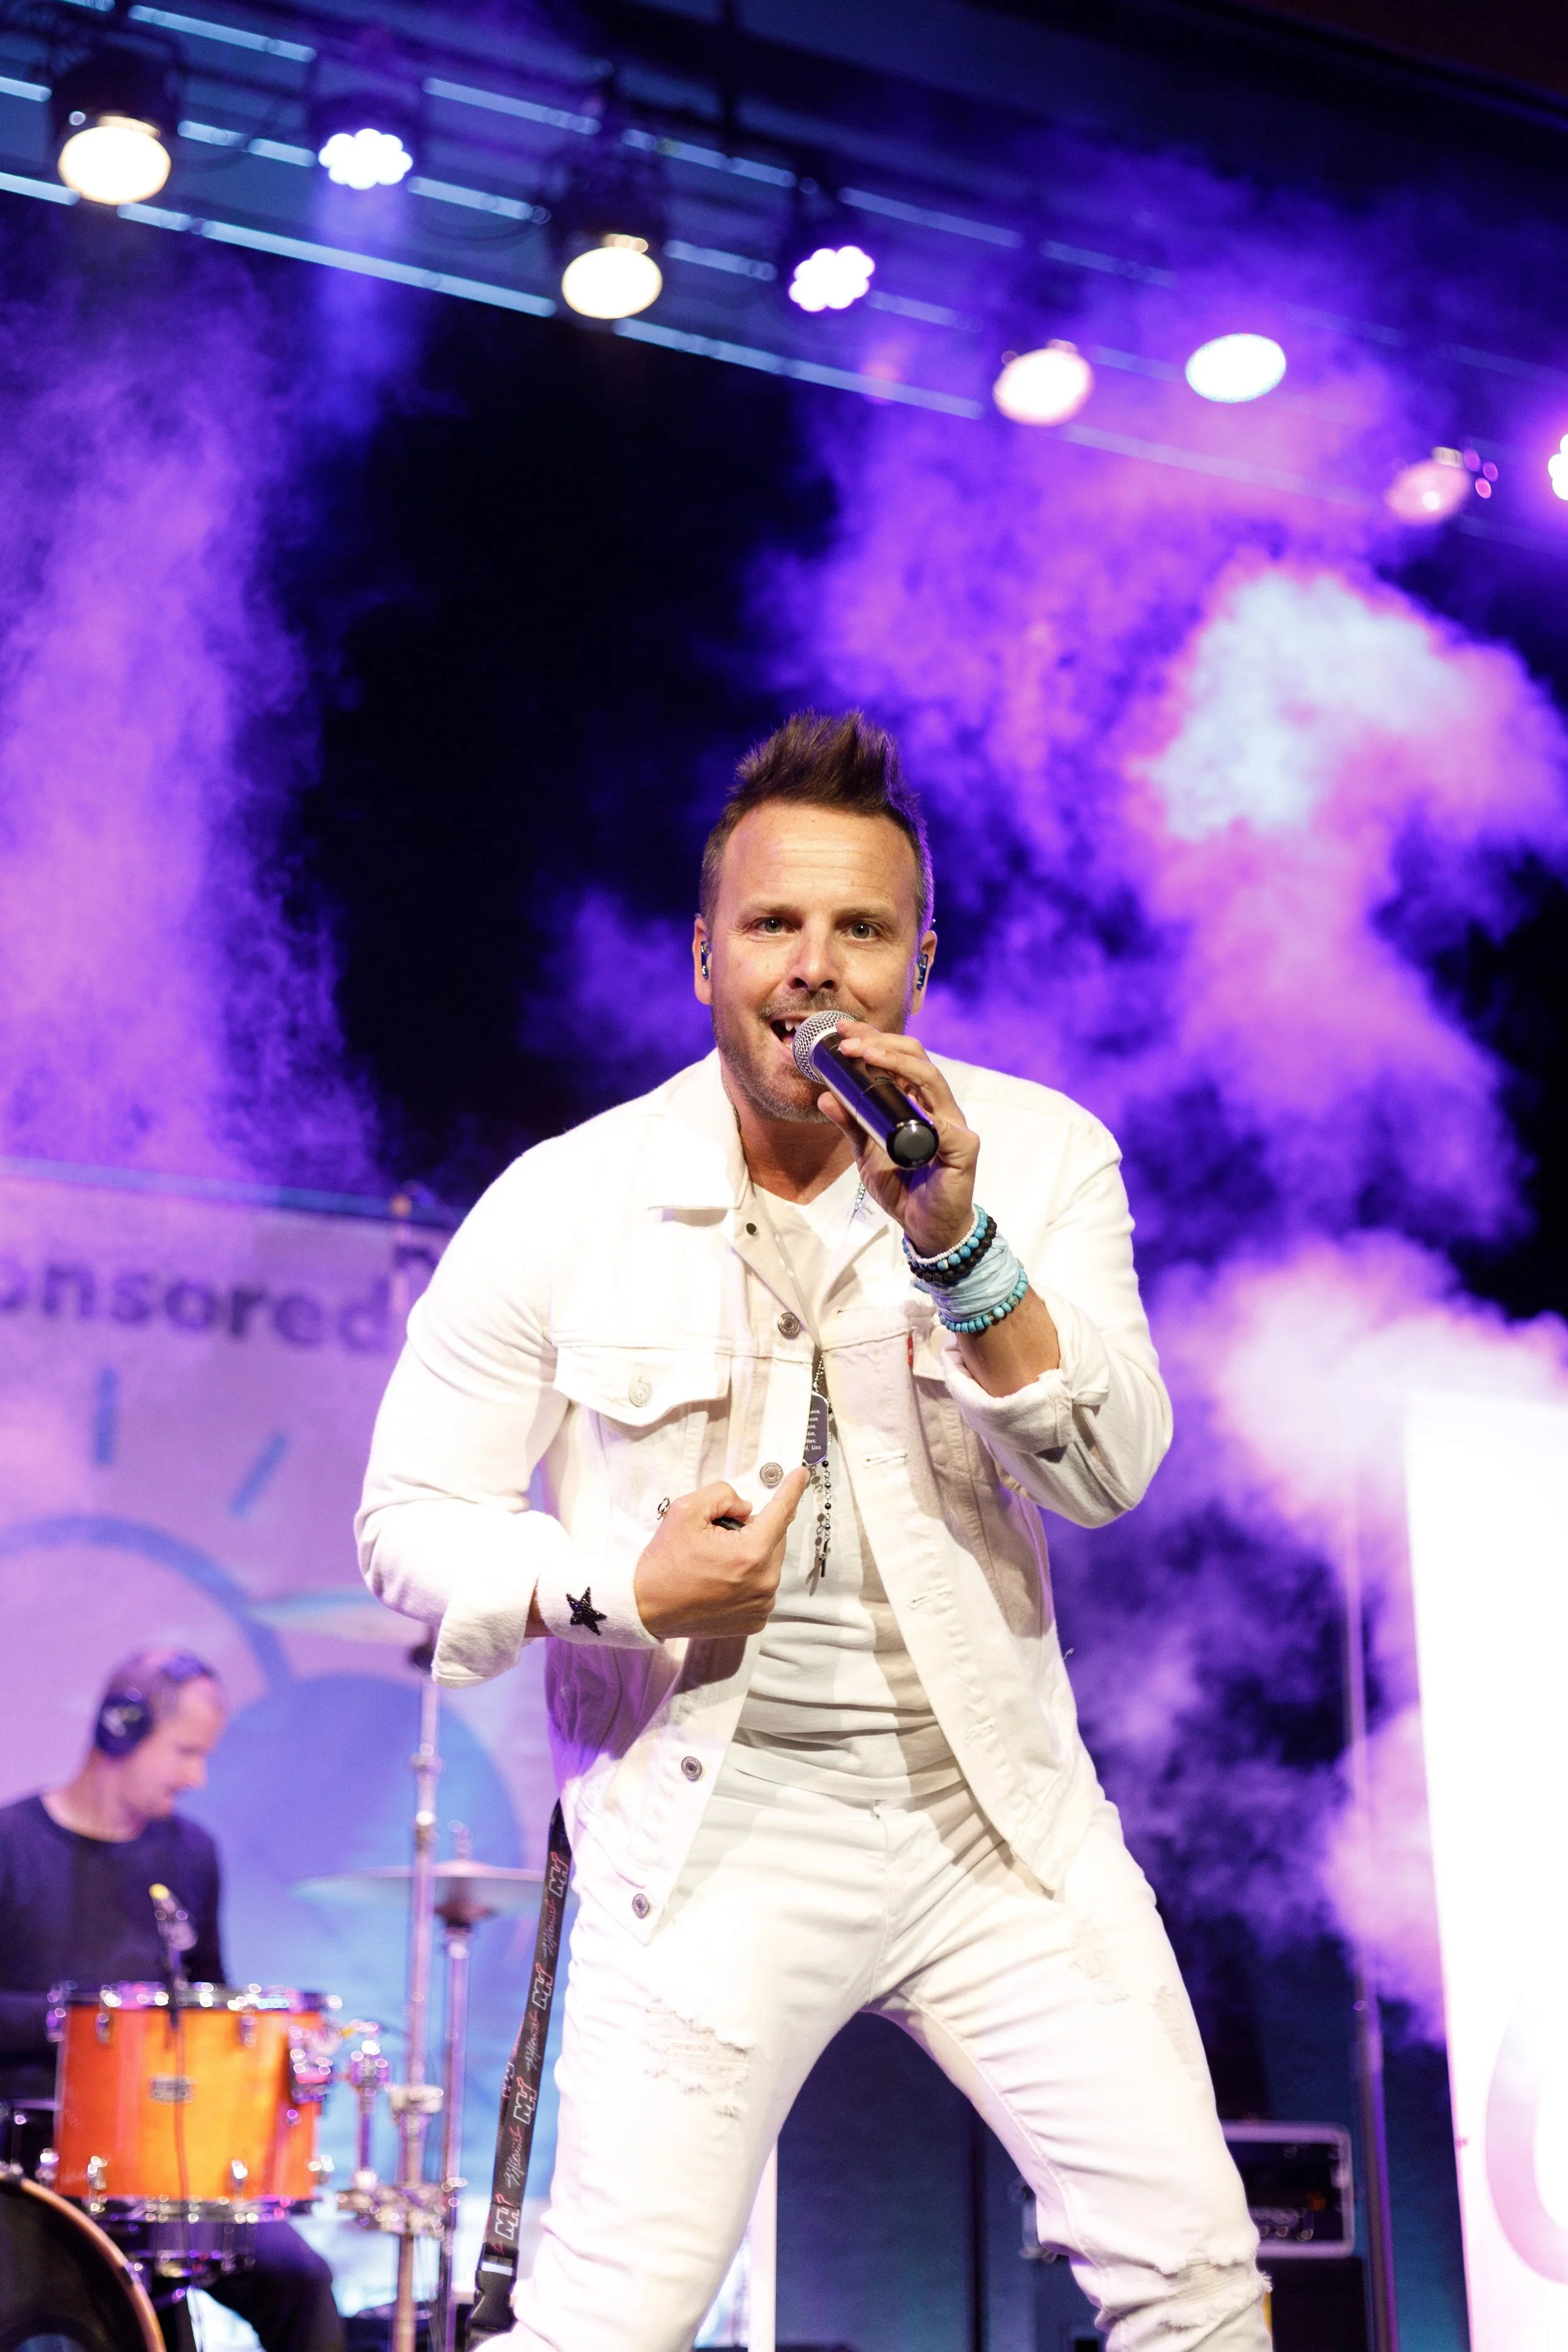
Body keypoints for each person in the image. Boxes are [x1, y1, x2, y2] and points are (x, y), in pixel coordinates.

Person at [356, 711, 1269, 2352]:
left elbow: (1108, 1468)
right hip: (710, 1830)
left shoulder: (1037, 1156)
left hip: (997, 1821)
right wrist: (620, 1584)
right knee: (603, 2328)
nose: (813, 968)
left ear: (919, 959)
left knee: (1195, 2286)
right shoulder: (566, 1200)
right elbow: (404, 1521)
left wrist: (961, 1243)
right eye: (773, 924)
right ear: (704, 953)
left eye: (859, 929)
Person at [0, 1648, 343, 2352]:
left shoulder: (190, 1853)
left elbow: (212, 2002)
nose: (195, 1777)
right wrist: (82, 2024)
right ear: (120, 1728)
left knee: (301, 2280)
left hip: (170, 2164)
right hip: (35, 2167)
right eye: (184, 1752)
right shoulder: (10, 1844)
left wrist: (284, 2054)